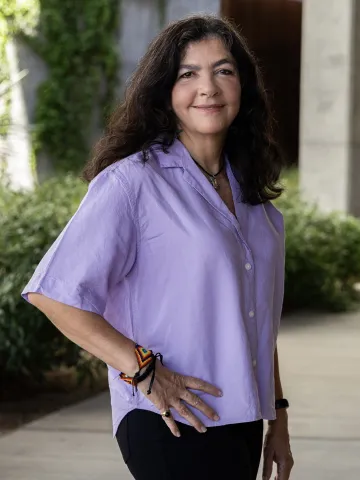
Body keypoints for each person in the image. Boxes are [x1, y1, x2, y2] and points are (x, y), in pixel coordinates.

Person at [22, 14, 294, 480]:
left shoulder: (252, 198)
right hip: (167, 419)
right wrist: (143, 370)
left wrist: (279, 415)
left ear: (243, 87)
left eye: (223, 71)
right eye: (188, 73)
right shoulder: (134, 183)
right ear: (165, 92)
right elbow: (54, 293)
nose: (207, 87)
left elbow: (255, 317)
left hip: (242, 418)